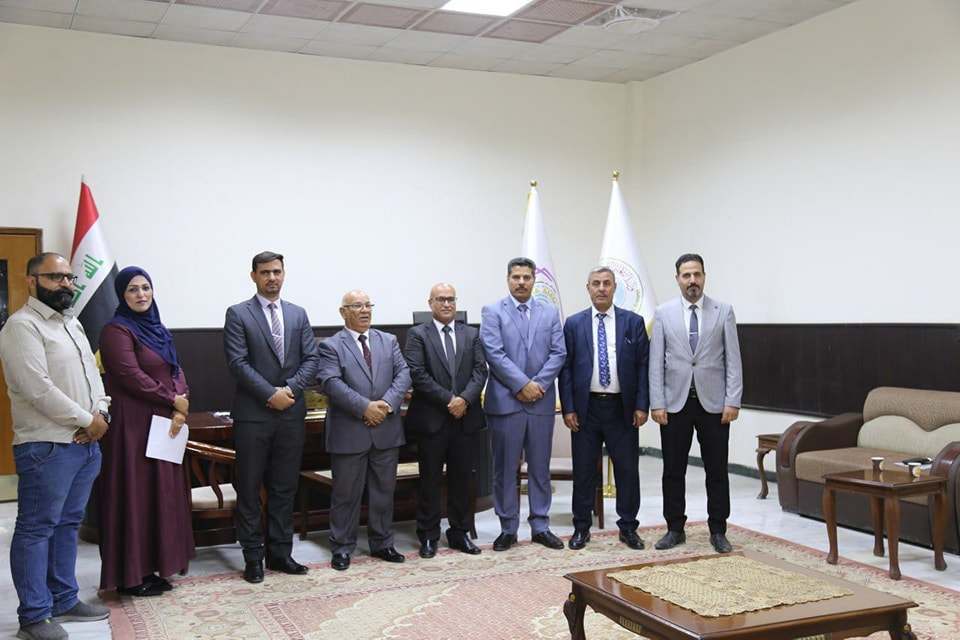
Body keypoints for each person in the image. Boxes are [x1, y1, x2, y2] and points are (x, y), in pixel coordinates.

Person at [0, 252, 111, 640]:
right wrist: (87, 421)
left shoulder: (71, 322)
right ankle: (34, 616)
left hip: (84, 443)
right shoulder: (21, 326)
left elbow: (93, 376)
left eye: (68, 278)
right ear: (32, 281)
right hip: (46, 446)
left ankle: (64, 599)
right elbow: (38, 389)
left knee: (67, 524)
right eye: (55, 277)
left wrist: (101, 413)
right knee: (35, 530)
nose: (65, 284)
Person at [96, 266, 195, 597]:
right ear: (122, 295)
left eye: (146, 288)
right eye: (133, 289)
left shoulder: (159, 329)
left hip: (163, 423)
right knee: (134, 496)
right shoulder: (116, 331)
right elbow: (130, 376)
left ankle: (153, 568)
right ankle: (130, 576)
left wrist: (180, 405)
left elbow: (176, 369)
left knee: (159, 495)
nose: (141, 295)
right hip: (132, 427)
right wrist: (173, 400)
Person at [223, 251, 319, 584]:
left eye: (277, 272)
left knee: (284, 487)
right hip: (253, 415)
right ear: (254, 276)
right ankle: (253, 557)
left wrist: (289, 390)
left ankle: (280, 553)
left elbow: (311, 359)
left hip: (291, 413)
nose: (272, 278)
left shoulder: (297, 314)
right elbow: (237, 363)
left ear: (284, 274)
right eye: (265, 272)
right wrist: (269, 394)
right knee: (250, 489)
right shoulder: (238, 313)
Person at [649, 253, 742, 554]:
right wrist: (657, 403)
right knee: (673, 470)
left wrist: (733, 400)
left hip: (714, 406)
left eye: (697, 274)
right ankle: (675, 528)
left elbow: (733, 360)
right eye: (686, 275)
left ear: (704, 276)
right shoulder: (663, 313)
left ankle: (718, 530)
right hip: (674, 405)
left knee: (717, 470)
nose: (692, 280)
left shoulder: (723, 311)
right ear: (677, 278)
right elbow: (655, 362)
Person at [318, 290, 411, 571]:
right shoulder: (331, 345)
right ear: (343, 312)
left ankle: (382, 543)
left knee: (384, 491)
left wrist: (386, 404)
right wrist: (365, 408)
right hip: (349, 431)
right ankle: (342, 547)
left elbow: (404, 374)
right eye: (356, 306)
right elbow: (331, 383)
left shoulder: (388, 340)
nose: (364, 310)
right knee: (346, 494)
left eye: (368, 305)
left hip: (386, 429)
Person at [559, 266, 649, 551]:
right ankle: (581, 527)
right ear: (588, 288)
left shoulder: (633, 322)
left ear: (614, 288)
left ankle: (628, 527)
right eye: (596, 283)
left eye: (606, 283)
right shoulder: (574, 324)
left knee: (627, 471)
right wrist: (569, 408)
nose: (601, 288)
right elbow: (566, 369)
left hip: (622, 409)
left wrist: (641, 405)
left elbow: (643, 366)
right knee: (584, 471)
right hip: (586, 409)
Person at [480, 257, 566, 551]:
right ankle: (508, 528)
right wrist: (522, 385)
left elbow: (558, 353)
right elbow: (494, 353)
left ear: (533, 280)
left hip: (540, 402)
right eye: (516, 277)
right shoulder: (492, 311)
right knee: (505, 469)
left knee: (540, 468)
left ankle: (540, 526)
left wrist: (537, 385)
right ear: (508, 279)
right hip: (506, 403)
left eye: (526, 277)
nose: (521, 282)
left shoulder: (550, 313)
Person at [404, 283, 487, 558]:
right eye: (441, 299)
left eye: (451, 299)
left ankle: (459, 533)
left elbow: (480, 371)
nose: (447, 304)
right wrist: (450, 400)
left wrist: (464, 400)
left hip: (465, 419)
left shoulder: (471, 334)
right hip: (432, 420)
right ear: (430, 303)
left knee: (462, 479)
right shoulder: (418, 334)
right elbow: (417, 373)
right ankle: (428, 535)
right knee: (429, 480)